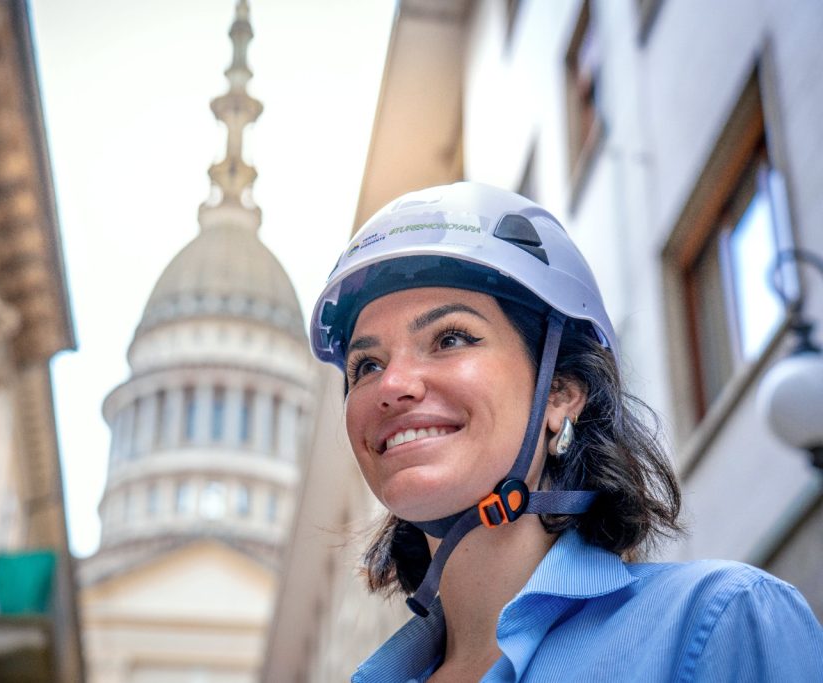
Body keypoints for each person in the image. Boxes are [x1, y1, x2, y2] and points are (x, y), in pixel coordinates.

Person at [308, 182, 823, 682]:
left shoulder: (720, 624)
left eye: (451, 338)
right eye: (366, 366)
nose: (391, 385)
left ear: (560, 393)